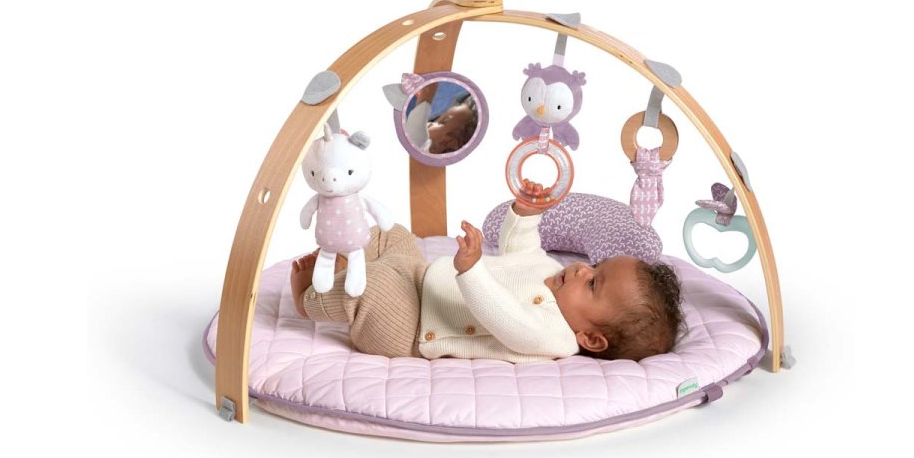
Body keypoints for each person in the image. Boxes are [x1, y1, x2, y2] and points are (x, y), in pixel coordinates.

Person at [290, 180, 683, 363]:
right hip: (421, 277)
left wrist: (473, 270)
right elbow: (520, 250)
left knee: (372, 287)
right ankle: (351, 265)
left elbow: (504, 318)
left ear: (592, 339)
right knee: (393, 234)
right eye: (593, 266)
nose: (581, 269)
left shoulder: (555, 337)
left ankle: (310, 299)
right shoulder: (552, 272)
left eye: (593, 283)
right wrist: (524, 216)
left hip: (411, 327)